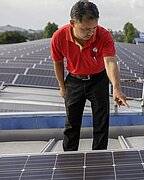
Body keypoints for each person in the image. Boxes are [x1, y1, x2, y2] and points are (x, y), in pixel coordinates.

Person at [51, 0, 128, 151]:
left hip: (98, 80)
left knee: (101, 123)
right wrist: (62, 86)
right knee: (71, 124)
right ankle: (69, 157)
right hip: (74, 81)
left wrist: (116, 88)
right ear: (73, 23)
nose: (91, 33)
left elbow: (110, 62)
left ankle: (98, 157)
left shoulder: (103, 35)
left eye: (94, 28)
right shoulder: (59, 37)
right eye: (86, 29)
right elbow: (58, 62)